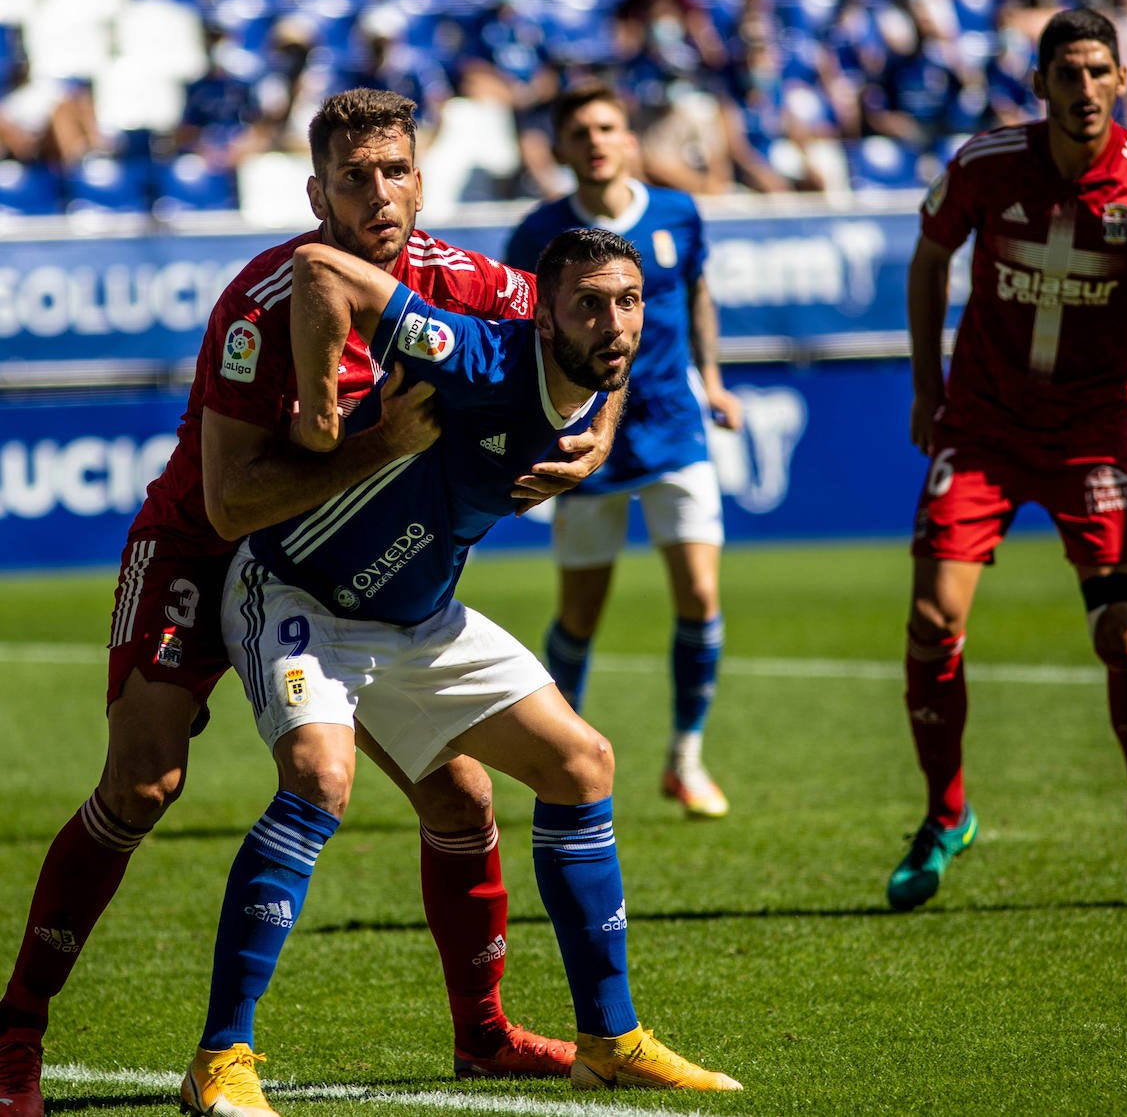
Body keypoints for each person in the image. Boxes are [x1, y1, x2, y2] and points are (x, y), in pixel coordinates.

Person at [0, 88, 615, 1117]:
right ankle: (18, 1026)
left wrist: (599, 424)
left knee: (461, 799)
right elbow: (234, 497)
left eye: (396, 170)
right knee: (143, 785)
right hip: (205, 549)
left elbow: (587, 318)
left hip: (345, 575)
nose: (380, 194)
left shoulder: (463, 281)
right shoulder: (263, 302)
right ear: (317, 191)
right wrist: (384, 445)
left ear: (420, 175)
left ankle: (485, 1035)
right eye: (355, 176)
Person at [200, 227, 743, 1104]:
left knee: (581, 764)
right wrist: (319, 406)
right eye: (590, 306)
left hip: (420, 617)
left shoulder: (594, 368)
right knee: (318, 778)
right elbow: (317, 270)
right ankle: (221, 1059)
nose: (615, 324)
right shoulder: (477, 353)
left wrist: (601, 433)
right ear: (542, 316)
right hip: (304, 594)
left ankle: (609, 1038)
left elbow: (612, 362)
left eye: (629, 303)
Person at [888, 7, 1127, 912]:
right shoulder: (984, 166)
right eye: (1067, 72)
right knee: (933, 618)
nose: (1083, 88)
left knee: (1117, 630)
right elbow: (928, 260)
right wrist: (928, 388)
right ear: (1039, 83)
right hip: (984, 425)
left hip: (1094, 437)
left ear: (1122, 81)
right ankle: (946, 814)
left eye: (1099, 72)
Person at [505, 80, 744, 820]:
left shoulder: (677, 213)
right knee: (580, 616)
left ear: (630, 139)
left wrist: (712, 378)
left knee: (701, 596)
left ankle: (686, 757)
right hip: (582, 441)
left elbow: (696, 293)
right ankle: (559, 747)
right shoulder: (538, 234)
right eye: (581, 132)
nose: (597, 141)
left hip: (674, 428)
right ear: (563, 149)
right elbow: (522, 334)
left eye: (608, 127)